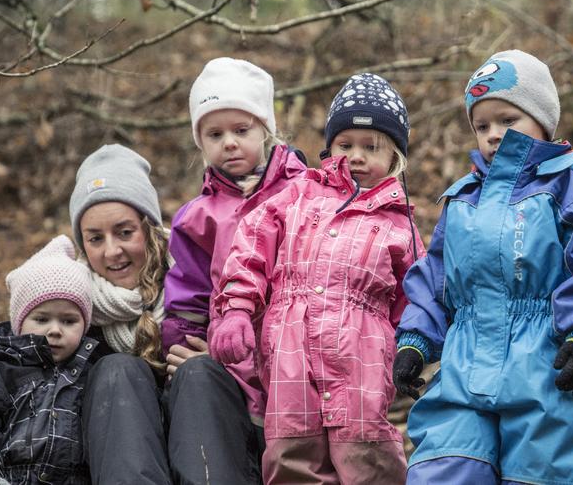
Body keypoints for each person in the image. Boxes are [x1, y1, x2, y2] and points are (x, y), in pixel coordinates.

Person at [392, 50, 573, 484]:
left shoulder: (570, 188)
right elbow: (435, 278)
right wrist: (416, 339)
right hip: (464, 368)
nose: (493, 135)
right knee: (445, 469)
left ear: (543, 119)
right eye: (482, 124)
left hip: (547, 368)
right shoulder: (463, 199)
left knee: (544, 474)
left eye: (508, 120)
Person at [210, 73, 424, 484]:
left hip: (361, 358)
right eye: (346, 145)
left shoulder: (400, 225)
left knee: (367, 458)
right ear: (330, 147)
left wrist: (413, 346)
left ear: (395, 155)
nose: (356, 156)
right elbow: (250, 245)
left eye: (370, 147)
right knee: (294, 455)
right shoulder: (300, 195)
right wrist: (237, 308)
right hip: (290, 353)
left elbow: (415, 296)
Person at [161, 56, 308, 484]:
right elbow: (188, 296)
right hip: (233, 362)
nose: (229, 142)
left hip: (297, 360)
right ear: (199, 142)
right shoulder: (197, 217)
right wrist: (185, 348)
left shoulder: (305, 192)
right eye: (215, 133)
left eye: (241, 130)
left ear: (265, 129)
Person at [0, 235, 97, 485]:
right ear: (19, 324)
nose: (55, 330)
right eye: (42, 319)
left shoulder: (92, 377)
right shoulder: (1, 376)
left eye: (68, 321)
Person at [70, 144, 174, 484]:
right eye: (95, 238)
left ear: (149, 228)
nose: (112, 251)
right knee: (117, 370)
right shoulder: (67, 306)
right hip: (107, 465)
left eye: (124, 232)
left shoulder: (198, 284)